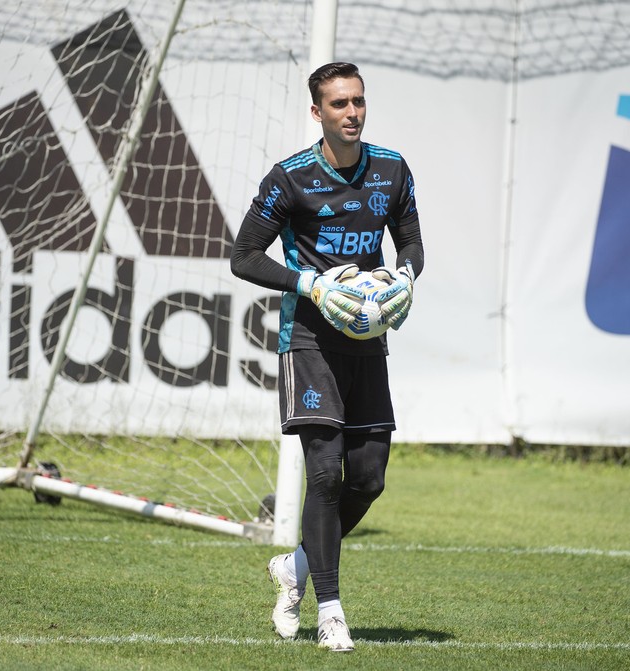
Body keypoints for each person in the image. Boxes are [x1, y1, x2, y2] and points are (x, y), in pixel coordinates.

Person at [230, 62, 424, 652]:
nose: (352, 113)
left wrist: (406, 276)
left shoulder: (391, 169)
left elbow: (410, 237)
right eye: (339, 104)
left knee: (368, 478)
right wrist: (310, 286)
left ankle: (296, 568)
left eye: (358, 102)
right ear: (317, 112)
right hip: (310, 339)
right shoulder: (289, 178)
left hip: (367, 340)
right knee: (323, 473)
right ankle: (331, 610)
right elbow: (243, 256)